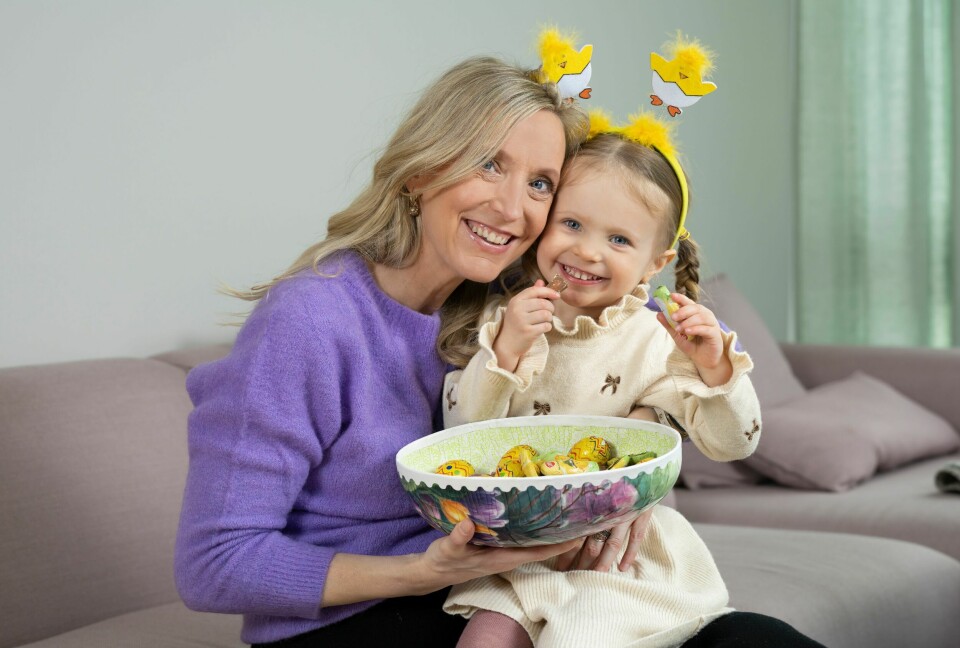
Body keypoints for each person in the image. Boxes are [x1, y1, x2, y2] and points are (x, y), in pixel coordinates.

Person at [173, 54, 610, 647]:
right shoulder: (309, 322)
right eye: (488, 164)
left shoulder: (500, 315)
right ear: (420, 172)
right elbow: (213, 565)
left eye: (540, 184)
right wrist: (422, 572)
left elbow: (638, 351)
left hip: (474, 596)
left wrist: (640, 443)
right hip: (353, 621)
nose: (513, 209)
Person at [441, 111, 825, 648]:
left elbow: (735, 441)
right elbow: (460, 432)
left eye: (619, 239)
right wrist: (504, 349)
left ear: (655, 262)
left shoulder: (657, 341)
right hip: (520, 554)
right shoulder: (506, 323)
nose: (587, 250)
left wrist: (714, 368)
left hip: (617, 559)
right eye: (571, 224)